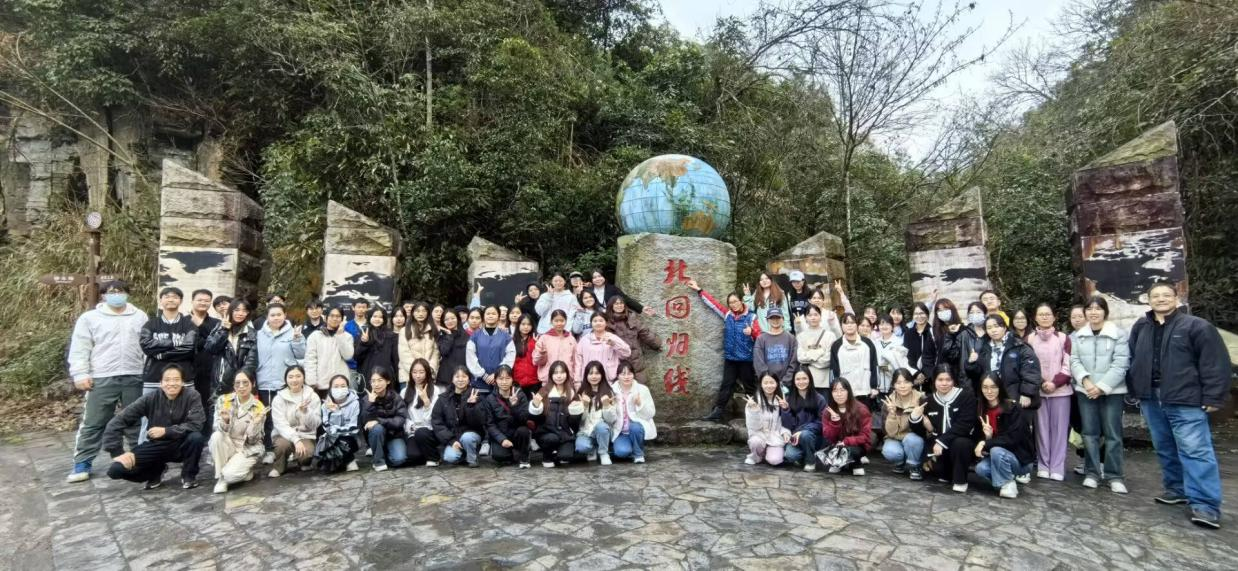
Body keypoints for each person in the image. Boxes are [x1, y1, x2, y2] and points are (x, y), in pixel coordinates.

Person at [1128, 283, 1231, 529]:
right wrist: (1136, 388)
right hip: (1151, 397)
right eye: (1155, 296)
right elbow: (1133, 357)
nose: (1161, 299)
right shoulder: (1141, 327)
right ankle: (1176, 489)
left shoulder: (1196, 326)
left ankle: (1205, 504)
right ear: (1148, 300)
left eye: (1166, 295)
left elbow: (1215, 362)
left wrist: (1213, 397)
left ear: (1176, 298)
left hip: (1185, 398)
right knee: (1164, 446)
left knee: (1195, 450)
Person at [65, 280, 149, 483]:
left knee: (136, 421)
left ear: (127, 294)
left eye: (120, 291)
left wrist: (148, 372)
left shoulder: (139, 316)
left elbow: (146, 346)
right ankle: (82, 462)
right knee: (94, 422)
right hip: (102, 376)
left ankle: (140, 458)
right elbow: (80, 347)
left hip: (134, 374)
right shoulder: (90, 318)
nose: (116, 295)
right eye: (111, 292)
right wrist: (80, 374)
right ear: (103, 295)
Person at [102, 364, 205, 489]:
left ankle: (189, 476)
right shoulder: (150, 398)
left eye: (176, 379)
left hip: (182, 444)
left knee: (196, 438)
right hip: (156, 445)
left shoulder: (192, 396)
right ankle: (154, 472)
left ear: (183, 382)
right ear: (161, 383)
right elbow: (117, 421)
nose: (172, 383)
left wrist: (166, 431)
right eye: (167, 380)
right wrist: (117, 452)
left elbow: (196, 424)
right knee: (115, 470)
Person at [1069, 296, 1130, 493]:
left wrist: (1102, 387)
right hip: (1085, 390)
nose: (1093, 312)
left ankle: (1114, 475)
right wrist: (1086, 382)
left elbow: (1121, 363)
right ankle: (1092, 473)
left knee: (1113, 434)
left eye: (1098, 308)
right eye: (1090, 309)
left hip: (1112, 392)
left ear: (1105, 311)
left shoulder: (1118, 334)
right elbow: (1074, 361)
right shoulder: (1079, 336)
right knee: (1089, 433)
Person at [690, 279, 761, 422]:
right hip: (731, 359)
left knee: (749, 387)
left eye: (735, 301)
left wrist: (752, 332)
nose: (733, 304)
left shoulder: (751, 317)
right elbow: (713, 304)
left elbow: (760, 336)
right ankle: (718, 412)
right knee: (726, 385)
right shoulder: (727, 315)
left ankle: (756, 414)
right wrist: (699, 290)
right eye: (730, 303)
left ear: (741, 301)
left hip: (746, 359)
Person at [1025, 303, 1073, 482]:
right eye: (1041, 314)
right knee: (1041, 430)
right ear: (1035, 318)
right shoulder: (1030, 339)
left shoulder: (1063, 338)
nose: (1044, 317)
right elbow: (1027, 365)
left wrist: (1055, 383)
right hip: (1039, 392)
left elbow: (1068, 364)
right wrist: (1041, 383)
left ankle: (1057, 466)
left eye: (1048, 314)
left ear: (1054, 317)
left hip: (1061, 391)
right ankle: (1043, 464)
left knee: (1060, 430)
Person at [911, 366, 978, 493]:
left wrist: (942, 441)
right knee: (942, 474)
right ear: (934, 380)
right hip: (938, 450)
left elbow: (965, 424)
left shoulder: (966, 396)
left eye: (948, 379)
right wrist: (915, 417)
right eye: (940, 379)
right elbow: (920, 430)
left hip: (961, 445)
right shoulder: (928, 401)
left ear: (954, 380)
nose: (944, 383)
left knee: (961, 443)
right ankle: (946, 472)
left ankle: (960, 480)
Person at [974, 373, 1036, 498]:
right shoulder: (981, 409)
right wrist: (988, 437)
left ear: (1000, 388)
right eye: (985, 387)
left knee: (996, 451)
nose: (989, 391)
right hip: (998, 457)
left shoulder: (1012, 407)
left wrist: (985, 443)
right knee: (981, 469)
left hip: (1020, 460)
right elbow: (985, 442)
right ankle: (1007, 481)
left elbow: (1012, 439)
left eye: (993, 387)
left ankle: (1007, 484)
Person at [208, 371, 266, 493]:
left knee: (231, 475)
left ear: (253, 384)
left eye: (245, 383)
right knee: (216, 436)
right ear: (233, 385)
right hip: (228, 443)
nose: (241, 387)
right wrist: (225, 420)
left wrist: (255, 424)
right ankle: (221, 479)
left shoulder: (258, 407)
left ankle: (236, 472)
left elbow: (253, 441)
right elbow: (216, 427)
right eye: (237, 383)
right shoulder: (223, 400)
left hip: (246, 448)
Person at [966, 315, 1041, 408]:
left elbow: (1031, 371)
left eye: (996, 326)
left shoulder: (1019, 345)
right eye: (989, 328)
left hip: (1017, 398)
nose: (993, 330)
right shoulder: (984, 349)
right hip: (993, 399)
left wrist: (1027, 393)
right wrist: (971, 364)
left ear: (1004, 327)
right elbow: (979, 375)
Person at [140, 287, 198, 398]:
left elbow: (189, 348)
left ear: (181, 301)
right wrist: (173, 343)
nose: (171, 300)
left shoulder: (189, 325)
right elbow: (146, 345)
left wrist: (161, 354)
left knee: (185, 408)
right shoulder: (151, 324)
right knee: (150, 408)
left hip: (183, 378)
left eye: (175, 297)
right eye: (167, 297)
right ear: (160, 300)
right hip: (154, 378)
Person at [269, 365, 321, 477]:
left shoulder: (313, 396)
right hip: (283, 435)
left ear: (304, 378)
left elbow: (315, 424)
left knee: (306, 454)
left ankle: (303, 462)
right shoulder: (278, 398)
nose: (294, 380)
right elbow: (280, 424)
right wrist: (296, 440)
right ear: (286, 379)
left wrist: (306, 412)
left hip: (305, 435)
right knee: (282, 446)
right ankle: (279, 466)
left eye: (298, 376)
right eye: (290, 377)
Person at [529, 361, 581, 467]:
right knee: (552, 439)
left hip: (565, 434)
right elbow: (536, 419)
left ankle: (556, 454)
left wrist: (576, 410)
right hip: (547, 433)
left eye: (562, 372)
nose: (559, 376)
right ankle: (547, 456)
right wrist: (536, 405)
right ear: (551, 375)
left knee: (566, 457)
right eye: (556, 373)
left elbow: (574, 423)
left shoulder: (571, 392)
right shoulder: (544, 391)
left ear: (567, 374)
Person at [434, 366, 489, 467]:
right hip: (454, 436)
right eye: (457, 376)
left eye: (464, 376)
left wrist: (471, 406)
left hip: (472, 435)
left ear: (469, 379)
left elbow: (480, 422)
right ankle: (464, 453)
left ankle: (472, 459)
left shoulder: (476, 395)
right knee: (449, 457)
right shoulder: (443, 398)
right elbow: (437, 422)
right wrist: (451, 441)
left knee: (467, 438)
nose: (460, 379)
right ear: (452, 379)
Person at [203, 299, 257, 398]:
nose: (240, 313)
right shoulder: (220, 327)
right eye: (237, 310)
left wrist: (241, 379)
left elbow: (252, 360)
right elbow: (210, 348)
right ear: (230, 310)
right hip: (221, 380)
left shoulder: (252, 333)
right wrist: (224, 330)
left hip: (242, 382)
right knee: (220, 406)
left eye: (244, 311)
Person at [819, 377, 873, 476]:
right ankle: (840, 462)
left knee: (852, 451)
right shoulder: (828, 411)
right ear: (831, 393)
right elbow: (829, 437)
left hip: (856, 445)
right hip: (837, 445)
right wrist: (835, 423)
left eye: (842, 390)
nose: (839, 394)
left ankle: (856, 463)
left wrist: (846, 442)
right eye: (835, 391)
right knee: (825, 450)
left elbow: (865, 436)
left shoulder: (861, 409)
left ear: (848, 391)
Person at [605, 295, 662, 384]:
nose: (619, 305)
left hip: (636, 360)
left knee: (640, 386)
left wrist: (656, 345)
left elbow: (645, 333)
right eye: (616, 304)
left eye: (621, 303)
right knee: (620, 387)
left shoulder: (632, 319)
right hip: (618, 361)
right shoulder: (607, 322)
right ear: (611, 306)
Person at [881, 369, 926, 481]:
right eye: (898, 383)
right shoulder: (889, 402)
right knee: (890, 451)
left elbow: (927, 430)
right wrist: (892, 414)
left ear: (912, 383)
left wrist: (917, 415)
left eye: (906, 382)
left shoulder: (921, 399)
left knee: (912, 440)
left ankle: (915, 466)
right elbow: (889, 433)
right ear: (893, 385)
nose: (902, 386)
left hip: (914, 440)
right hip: (895, 438)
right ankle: (900, 463)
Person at [484, 366, 533, 468]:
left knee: (524, 431)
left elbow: (524, 419)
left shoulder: (520, 395)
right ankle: (512, 453)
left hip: (517, 432)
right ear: (495, 380)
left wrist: (514, 406)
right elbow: (490, 424)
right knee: (500, 456)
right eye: (501, 378)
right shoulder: (490, 399)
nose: (504, 382)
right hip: (502, 433)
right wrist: (502, 439)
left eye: (507, 378)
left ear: (512, 380)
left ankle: (524, 456)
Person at [362, 366, 407, 471]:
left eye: (380, 380)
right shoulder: (366, 399)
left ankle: (383, 452)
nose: (376, 384)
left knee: (399, 460)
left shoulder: (396, 397)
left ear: (388, 381)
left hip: (394, 435)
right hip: (376, 434)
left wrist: (379, 421)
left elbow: (400, 420)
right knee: (377, 429)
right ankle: (378, 461)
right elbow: (364, 422)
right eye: (373, 381)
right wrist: (370, 403)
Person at [781, 368, 826, 471]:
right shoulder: (789, 399)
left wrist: (802, 431)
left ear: (810, 379)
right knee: (790, 455)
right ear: (794, 381)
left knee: (805, 435)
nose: (801, 382)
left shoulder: (819, 398)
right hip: (796, 438)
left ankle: (811, 462)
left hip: (814, 437)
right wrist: (786, 410)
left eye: (804, 378)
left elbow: (822, 422)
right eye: (798, 379)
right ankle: (807, 455)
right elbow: (789, 425)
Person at [573, 361, 617, 465]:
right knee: (581, 447)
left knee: (601, 427)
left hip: (603, 431)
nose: (594, 376)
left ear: (602, 375)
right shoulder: (581, 393)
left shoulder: (609, 392)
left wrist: (606, 405)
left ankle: (603, 453)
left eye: (597, 373)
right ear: (586, 375)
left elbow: (611, 420)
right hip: (586, 431)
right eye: (590, 373)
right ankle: (592, 448)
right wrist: (584, 406)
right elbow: (579, 421)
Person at [610, 361, 655, 463]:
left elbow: (650, 413)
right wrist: (609, 406)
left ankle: (638, 454)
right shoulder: (611, 390)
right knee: (622, 452)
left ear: (633, 375)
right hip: (620, 432)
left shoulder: (642, 389)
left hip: (636, 429)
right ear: (617, 376)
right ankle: (629, 447)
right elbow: (608, 417)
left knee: (635, 427)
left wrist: (639, 404)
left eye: (629, 373)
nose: (626, 377)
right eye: (623, 374)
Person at [304, 307, 354, 396]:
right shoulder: (315, 336)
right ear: (326, 318)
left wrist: (340, 335)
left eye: (338, 316)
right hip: (320, 384)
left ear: (342, 319)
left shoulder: (347, 336)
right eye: (332, 316)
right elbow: (310, 359)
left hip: (340, 383)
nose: (335, 319)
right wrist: (311, 381)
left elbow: (348, 356)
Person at [466, 305, 516, 394]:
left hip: (500, 382)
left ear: (499, 316)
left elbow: (510, 355)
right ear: (483, 316)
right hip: (479, 383)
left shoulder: (506, 336)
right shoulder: (475, 336)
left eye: (493, 314)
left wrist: (497, 374)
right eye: (488, 313)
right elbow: (470, 357)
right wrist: (483, 375)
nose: (490, 316)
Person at [830, 314, 878, 404]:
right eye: (846, 323)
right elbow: (833, 370)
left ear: (857, 325)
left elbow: (874, 365)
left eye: (852, 322)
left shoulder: (867, 343)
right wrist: (834, 389)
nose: (849, 325)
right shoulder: (836, 345)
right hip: (845, 393)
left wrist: (875, 386)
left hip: (865, 391)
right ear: (841, 325)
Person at [316, 375, 360, 473]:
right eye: (336, 386)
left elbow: (353, 428)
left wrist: (337, 415)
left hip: (350, 438)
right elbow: (326, 427)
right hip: (330, 440)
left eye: (343, 386)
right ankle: (344, 460)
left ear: (348, 387)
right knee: (326, 469)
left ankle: (349, 459)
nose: (339, 389)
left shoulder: (355, 403)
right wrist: (335, 413)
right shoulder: (325, 405)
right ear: (330, 388)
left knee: (342, 442)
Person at [402, 359, 442, 466]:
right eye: (414, 372)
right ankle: (427, 453)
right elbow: (404, 415)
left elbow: (435, 417)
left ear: (427, 372)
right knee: (412, 456)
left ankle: (434, 458)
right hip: (413, 431)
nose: (418, 376)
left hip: (430, 430)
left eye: (421, 372)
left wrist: (427, 403)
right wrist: (411, 426)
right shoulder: (405, 391)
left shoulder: (435, 390)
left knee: (422, 433)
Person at [744, 373, 790, 466]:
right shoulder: (753, 402)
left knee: (775, 460)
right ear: (761, 384)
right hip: (759, 435)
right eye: (765, 383)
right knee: (755, 442)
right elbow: (754, 427)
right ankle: (756, 456)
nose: (769, 386)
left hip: (775, 436)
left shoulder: (782, 401)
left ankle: (768, 452)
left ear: (777, 383)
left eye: (772, 382)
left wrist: (785, 431)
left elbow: (786, 423)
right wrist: (754, 411)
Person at [574, 312, 631, 385]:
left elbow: (627, 353)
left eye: (601, 321)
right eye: (595, 321)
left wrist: (614, 344)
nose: (598, 323)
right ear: (591, 324)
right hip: (589, 378)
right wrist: (577, 380)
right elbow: (578, 361)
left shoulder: (612, 337)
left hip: (609, 379)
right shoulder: (584, 340)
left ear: (606, 323)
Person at [188, 289, 218, 425]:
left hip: (208, 370)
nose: (203, 303)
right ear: (192, 301)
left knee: (206, 403)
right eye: (199, 300)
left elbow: (217, 342)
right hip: (187, 369)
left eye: (206, 301)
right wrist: (205, 341)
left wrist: (201, 325)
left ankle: (205, 433)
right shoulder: (183, 321)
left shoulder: (216, 323)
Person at [533, 309, 577, 398]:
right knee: (548, 404)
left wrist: (575, 378)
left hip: (567, 380)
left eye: (562, 320)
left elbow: (576, 360)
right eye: (556, 321)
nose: (559, 323)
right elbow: (536, 361)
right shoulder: (544, 338)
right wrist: (541, 354)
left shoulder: (571, 339)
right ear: (551, 321)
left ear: (566, 321)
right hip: (548, 380)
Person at [355, 307, 399, 393]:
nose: (377, 319)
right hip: (367, 375)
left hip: (386, 375)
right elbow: (357, 357)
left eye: (380, 317)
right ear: (369, 318)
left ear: (384, 319)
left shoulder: (391, 336)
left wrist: (396, 376)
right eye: (374, 316)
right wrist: (364, 342)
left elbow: (395, 359)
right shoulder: (363, 333)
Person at [399, 302, 441, 389]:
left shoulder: (432, 330)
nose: (421, 314)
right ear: (413, 313)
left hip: (428, 375)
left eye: (424, 311)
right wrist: (417, 372)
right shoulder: (404, 330)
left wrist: (429, 370)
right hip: (408, 376)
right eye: (417, 311)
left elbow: (435, 353)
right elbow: (404, 354)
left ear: (428, 313)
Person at [796, 305, 837, 394]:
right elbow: (800, 357)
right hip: (806, 382)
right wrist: (820, 352)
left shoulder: (830, 336)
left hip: (824, 382)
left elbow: (828, 360)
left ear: (820, 317)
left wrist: (809, 361)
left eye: (816, 314)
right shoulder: (800, 336)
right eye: (810, 315)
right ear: (805, 318)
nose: (813, 318)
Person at [753, 307, 797, 387]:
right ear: (767, 320)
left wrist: (785, 381)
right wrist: (768, 381)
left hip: (787, 384)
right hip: (767, 384)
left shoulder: (791, 338)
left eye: (778, 318)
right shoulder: (761, 339)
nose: (775, 320)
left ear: (783, 319)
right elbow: (758, 363)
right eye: (772, 318)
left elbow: (793, 362)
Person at [874, 316, 914, 397]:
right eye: (881, 324)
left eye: (887, 324)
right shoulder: (875, 342)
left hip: (896, 384)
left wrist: (881, 367)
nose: (884, 326)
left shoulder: (899, 342)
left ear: (892, 326)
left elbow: (902, 363)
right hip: (879, 385)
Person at [587, 270, 652, 317]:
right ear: (591, 279)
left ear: (604, 277)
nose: (598, 279)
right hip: (596, 318)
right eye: (594, 277)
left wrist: (641, 308)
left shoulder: (612, 288)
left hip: (612, 318)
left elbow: (625, 298)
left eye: (600, 276)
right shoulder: (588, 291)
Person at [904, 302, 937, 389]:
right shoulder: (908, 333)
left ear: (927, 314)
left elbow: (935, 355)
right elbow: (907, 356)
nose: (919, 316)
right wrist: (917, 373)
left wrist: (927, 374)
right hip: (914, 377)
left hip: (931, 377)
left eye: (922, 313)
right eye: (916, 314)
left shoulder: (933, 332)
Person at [436, 311, 469, 392]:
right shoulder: (441, 336)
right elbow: (444, 351)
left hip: (461, 378)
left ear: (458, 319)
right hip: (445, 377)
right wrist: (449, 335)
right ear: (443, 322)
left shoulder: (466, 336)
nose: (450, 321)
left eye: (453, 318)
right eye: (446, 319)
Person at [342, 299, 371, 386]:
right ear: (353, 308)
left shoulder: (371, 325)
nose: (361, 309)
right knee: (353, 390)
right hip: (351, 366)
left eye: (363, 307)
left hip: (367, 364)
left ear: (367, 308)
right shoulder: (347, 326)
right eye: (358, 307)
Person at [511, 314, 539, 393]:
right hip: (517, 381)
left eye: (529, 324)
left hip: (534, 381)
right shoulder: (512, 340)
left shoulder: (537, 339)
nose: (526, 327)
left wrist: (535, 343)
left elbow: (539, 359)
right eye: (523, 324)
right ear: (518, 325)